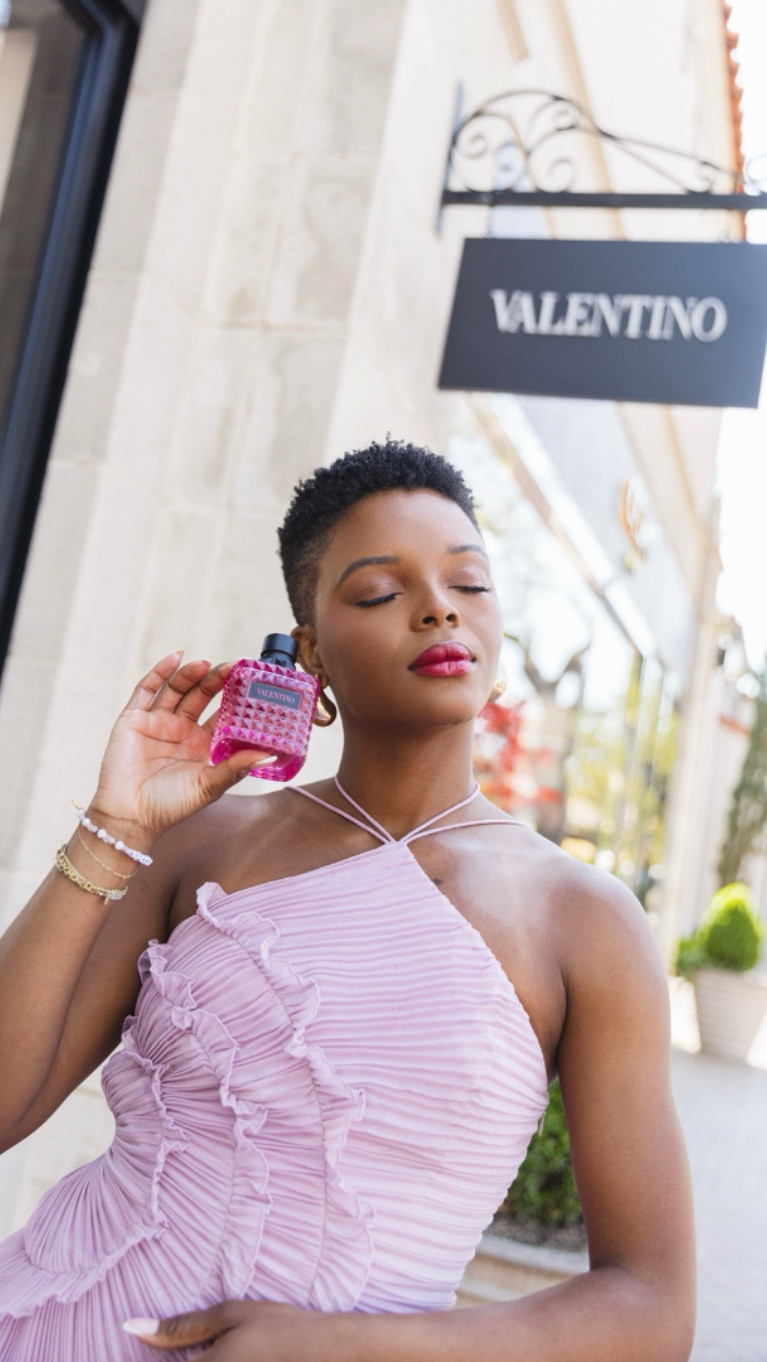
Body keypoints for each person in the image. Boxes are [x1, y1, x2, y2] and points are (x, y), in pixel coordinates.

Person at [0, 439, 695, 1361]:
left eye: (469, 583)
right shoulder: (204, 841)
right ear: (311, 653)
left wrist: (349, 1345)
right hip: (55, 1322)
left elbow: (652, 1305)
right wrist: (111, 825)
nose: (438, 607)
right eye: (380, 591)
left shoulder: (584, 920)